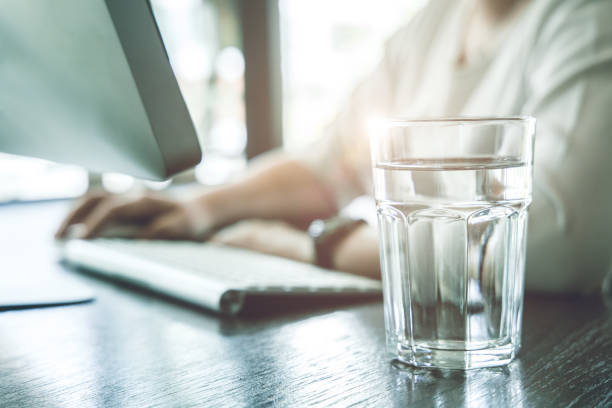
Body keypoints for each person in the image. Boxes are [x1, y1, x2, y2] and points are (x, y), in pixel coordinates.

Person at [56, 0, 612, 294]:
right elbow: (331, 165)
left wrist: (316, 252)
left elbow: (550, 248)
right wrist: (198, 206)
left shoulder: (588, 19)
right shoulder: (439, 19)